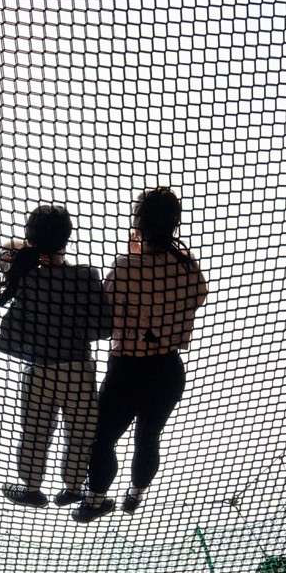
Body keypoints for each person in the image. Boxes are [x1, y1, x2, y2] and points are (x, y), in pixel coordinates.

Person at [74, 187, 208, 523]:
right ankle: (135, 494)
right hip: (167, 369)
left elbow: (106, 312)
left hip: (127, 370)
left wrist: (134, 260)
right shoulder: (188, 270)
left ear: (138, 224)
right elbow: (199, 295)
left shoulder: (124, 268)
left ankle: (96, 499)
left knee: (101, 437)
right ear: (174, 225)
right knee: (148, 436)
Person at [0, 204, 112, 507]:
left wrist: (30, 246)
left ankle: (31, 488)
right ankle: (74, 487)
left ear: (30, 237)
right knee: (80, 431)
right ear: (68, 238)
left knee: (35, 431)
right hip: (79, 367)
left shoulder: (24, 274)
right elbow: (104, 327)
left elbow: (6, 247)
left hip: (39, 368)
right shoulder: (86, 275)